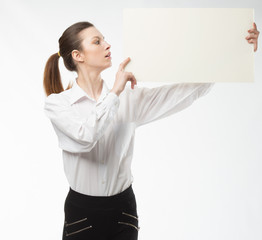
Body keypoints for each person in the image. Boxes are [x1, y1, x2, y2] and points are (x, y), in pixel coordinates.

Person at [43, 21, 259, 240]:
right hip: (82, 214)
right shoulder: (58, 105)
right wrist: (115, 91)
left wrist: (234, 51)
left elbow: (188, 90)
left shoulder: (130, 99)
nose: (108, 45)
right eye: (97, 42)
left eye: (105, 39)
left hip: (122, 210)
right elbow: (86, 137)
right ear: (78, 55)